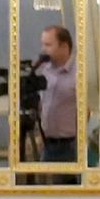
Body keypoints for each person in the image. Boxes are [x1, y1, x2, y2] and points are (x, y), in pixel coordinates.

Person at [36, 25, 78, 165]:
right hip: (48, 145)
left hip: (71, 146)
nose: (43, 49)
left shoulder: (79, 72)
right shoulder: (45, 71)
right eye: (43, 44)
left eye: (48, 45)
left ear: (64, 46)